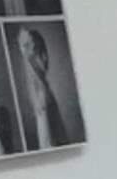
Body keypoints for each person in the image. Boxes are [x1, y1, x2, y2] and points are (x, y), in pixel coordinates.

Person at [10, 21, 81, 150]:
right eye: (38, 52)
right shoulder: (39, 90)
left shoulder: (43, 83)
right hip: (42, 104)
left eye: (43, 51)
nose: (44, 57)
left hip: (46, 100)